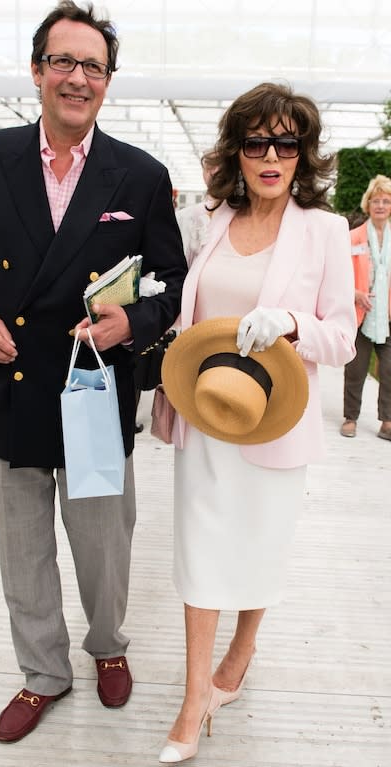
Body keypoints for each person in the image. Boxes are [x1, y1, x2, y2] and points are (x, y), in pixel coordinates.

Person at [0, 0, 186, 744]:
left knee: (105, 550)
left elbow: (172, 283)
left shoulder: (140, 176)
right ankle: (43, 670)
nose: (77, 78)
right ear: (38, 70)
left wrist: (134, 324)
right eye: (63, 62)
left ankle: (107, 642)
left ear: (108, 81)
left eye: (93, 66)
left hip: (94, 389)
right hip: (10, 389)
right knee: (24, 553)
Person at [157, 81, 357, 763]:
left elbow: (343, 338)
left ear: (303, 153)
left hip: (273, 424)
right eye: (256, 142)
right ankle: (193, 698)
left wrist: (293, 324)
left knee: (258, 552)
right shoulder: (214, 217)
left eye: (286, 142)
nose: (271, 155)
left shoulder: (325, 231)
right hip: (207, 414)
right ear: (236, 152)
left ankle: (242, 649)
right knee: (199, 556)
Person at [340, 174, 391, 440]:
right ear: (367, 204)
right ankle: (350, 417)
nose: (381, 206)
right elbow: (338, 275)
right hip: (360, 313)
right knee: (356, 368)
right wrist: (355, 293)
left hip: (388, 316)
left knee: (389, 371)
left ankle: (387, 421)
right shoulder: (353, 237)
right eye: (376, 201)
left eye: (386, 201)